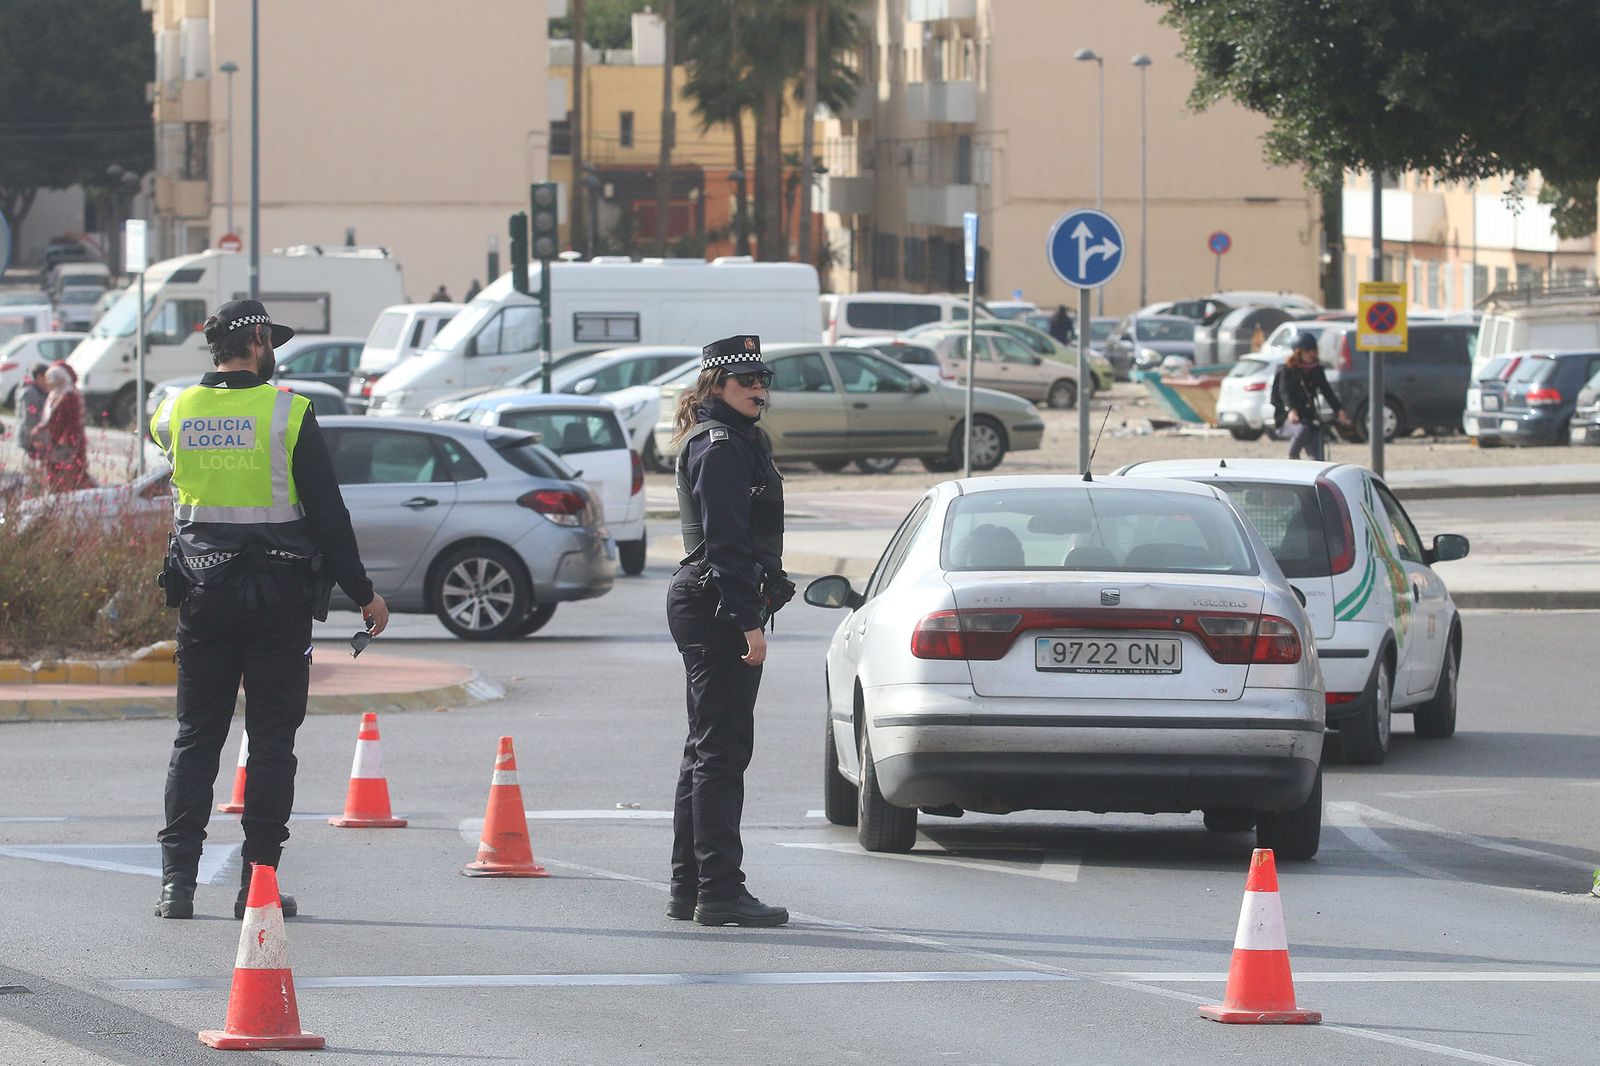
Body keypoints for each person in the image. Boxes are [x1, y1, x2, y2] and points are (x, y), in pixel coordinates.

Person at [148, 298, 390, 921]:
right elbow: (328, 516)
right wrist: (363, 593)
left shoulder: (173, 410)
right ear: (257, 340)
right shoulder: (289, 411)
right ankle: (256, 884)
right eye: (271, 339)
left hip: (203, 596)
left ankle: (176, 883)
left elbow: (168, 457)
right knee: (272, 741)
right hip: (277, 601)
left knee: (196, 737)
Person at [666, 334, 796, 928]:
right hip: (716, 602)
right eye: (747, 381)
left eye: (763, 380)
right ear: (715, 384)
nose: (759, 390)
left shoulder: (743, 439)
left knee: (706, 750)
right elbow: (724, 543)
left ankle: (690, 886)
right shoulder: (718, 446)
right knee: (721, 753)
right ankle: (718, 890)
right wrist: (749, 621)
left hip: (712, 598)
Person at [1271, 331, 1349, 461]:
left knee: (1317, 448)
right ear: (1298, 352)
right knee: (1302, 430)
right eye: (1307, 351)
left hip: (1309, 419)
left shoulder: (1316, 370)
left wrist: (1339, 410)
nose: (1311, 354)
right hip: (1287, 419)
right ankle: (1291, 457)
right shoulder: (1287, 370)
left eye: (1313, 350)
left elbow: (1327, 391)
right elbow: (1285, 392)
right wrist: (1291, 410)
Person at [31, 364, 91, 491]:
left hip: (68, 444)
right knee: (54, 475)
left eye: (52, 379)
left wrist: (67, 441)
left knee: (71, 475)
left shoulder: (70, 395)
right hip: (55, 442)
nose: (49, 383)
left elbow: (75, 422)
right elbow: (49, 418)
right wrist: (40, 430)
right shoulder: (54, 395)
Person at [17, 363, 49, 462]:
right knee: (31, 468)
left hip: (36, 437)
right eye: (47, 378)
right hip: (30, 439)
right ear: (39, 377)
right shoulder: (31, 393)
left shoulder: (39, 391)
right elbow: (29, 419)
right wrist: (35, 439)